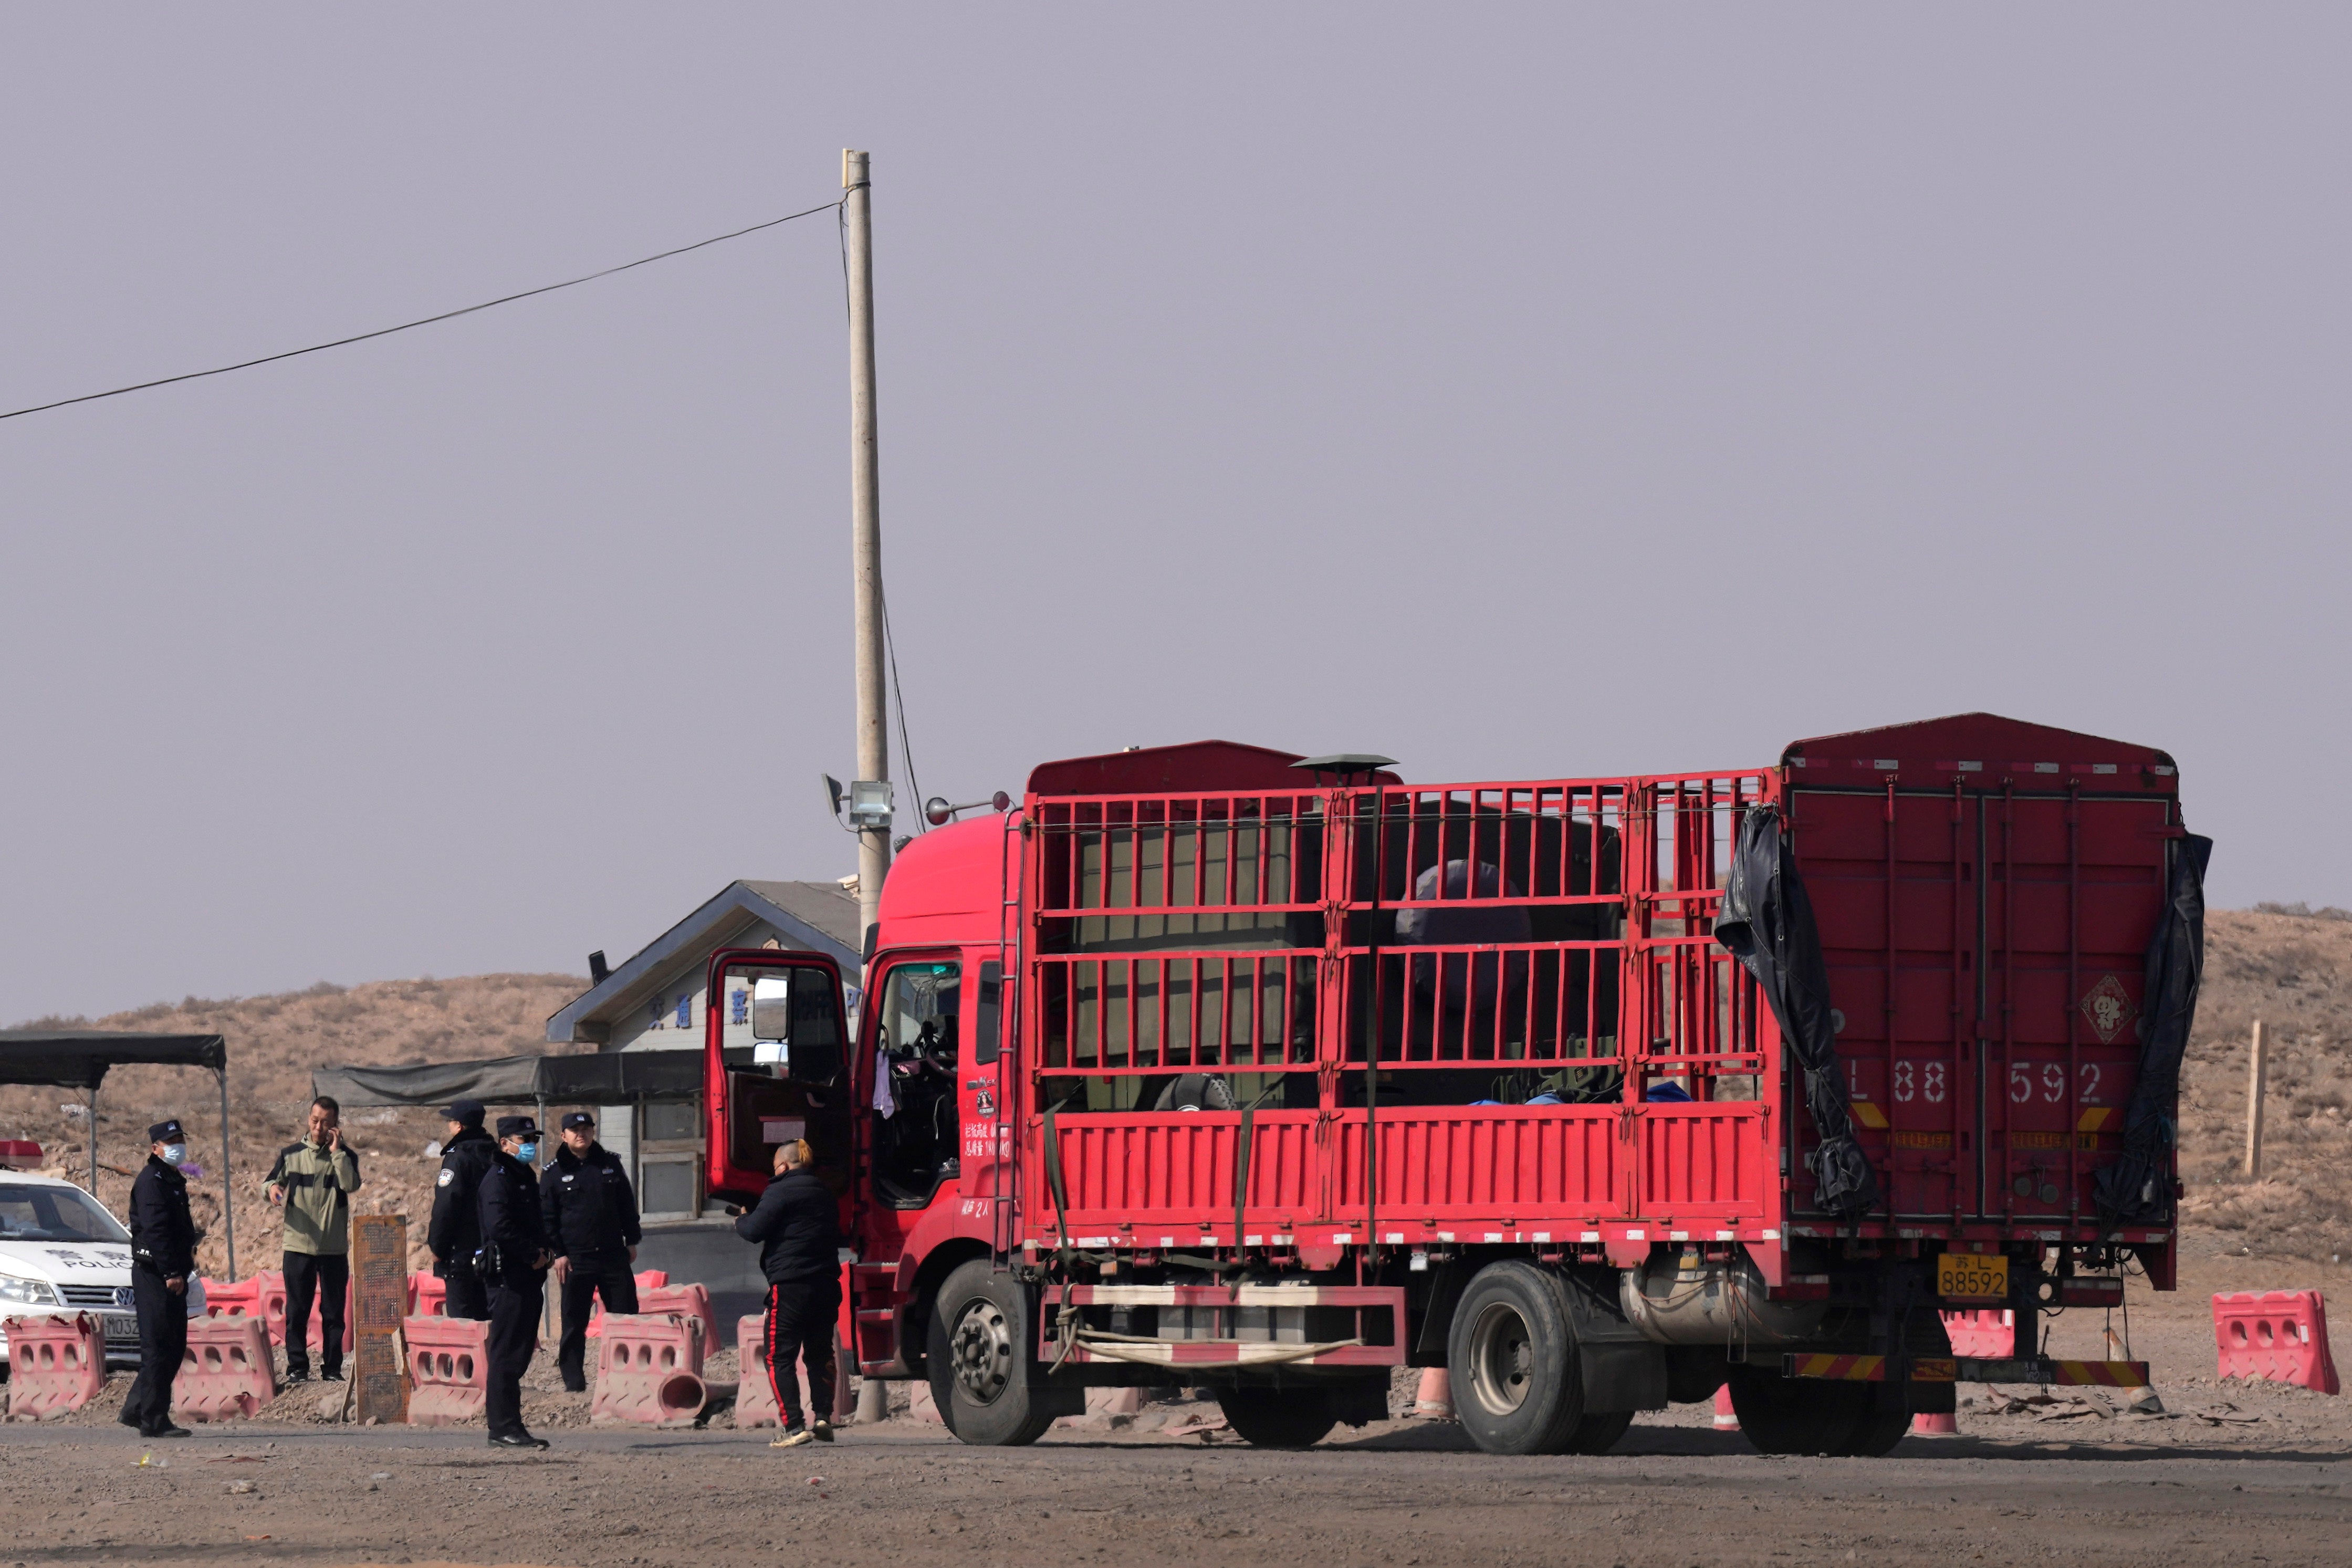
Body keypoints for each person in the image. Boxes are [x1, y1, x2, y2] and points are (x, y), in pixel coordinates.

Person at [733, 1137, 841, 1447]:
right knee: (820, 1354)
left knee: (778, 1357)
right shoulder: (824, 1191)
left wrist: (742, 1218)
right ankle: (823, 1418)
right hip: (826, 1284)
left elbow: (754, 1230)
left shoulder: (779, 1189)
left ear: (782, 1166)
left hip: (791, 1286)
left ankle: (794, 1426)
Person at [538, 1111, 642, 1393]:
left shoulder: (609, 1164)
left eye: (586, 1129)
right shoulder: (553, 1173)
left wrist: (631, 1239)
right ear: (563, 1136)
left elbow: (626, 1205)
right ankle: (574, 1382)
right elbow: (547, 1219)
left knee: (626, 1317)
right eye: (574, 1130)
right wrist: (558, 1253)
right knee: (574, 1322)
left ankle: (627, 1377)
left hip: (612, 1255)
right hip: (575, 1259)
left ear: (593, 1132)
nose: (581, 1134)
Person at [262, 1094, 362, 1382]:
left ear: (335, 1126)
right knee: (297, 1311)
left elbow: (350, 1184)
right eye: (315, 1121)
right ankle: (297, 1367)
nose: (318, 1128)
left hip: (333, 1249)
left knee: (333, 1314)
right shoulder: (291, 1154)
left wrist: (337, 1152)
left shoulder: (346, 1157)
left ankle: (332, 1369)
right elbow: (270, 1182)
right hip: (298, 1246)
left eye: (325, 1123)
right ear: (309, 1119)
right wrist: (271, 1190)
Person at [118, 1118, 197, 1439]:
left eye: (179, 1139)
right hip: (157, 1275)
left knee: (173, 1346)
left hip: (173, 1272)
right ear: (155, 1148)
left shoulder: (170, 1177)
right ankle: (153, 1419)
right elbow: (156, 1231)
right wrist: (170, 1272)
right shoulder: (152, 1180)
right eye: (171, 1141)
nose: (177, 1146)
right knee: (159, 1347)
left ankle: (137, 1408)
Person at [478, 1114, 553, 1449]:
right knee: (506, 1355)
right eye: (524, 1141)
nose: (531, 1147)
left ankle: (512, 1425)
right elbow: (499, 1227)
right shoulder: (498, 1178)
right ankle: (502, 1427)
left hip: (528, 1277)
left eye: (533, 1141)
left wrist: (548, 1252)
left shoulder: (523, 1176)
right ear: (505, 1144)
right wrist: (530, 1254)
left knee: (519, 1354)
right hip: (509, 1275)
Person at [425, 1099, 497, 1321]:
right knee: (487, 1322)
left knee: (462, 1324)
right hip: (491, 1252)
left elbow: (447, 1206)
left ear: (460, 1126)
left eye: (451, 1122)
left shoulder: (458, 1157)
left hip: (461, 1254)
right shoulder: (495, 1154)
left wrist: (437, 1246)